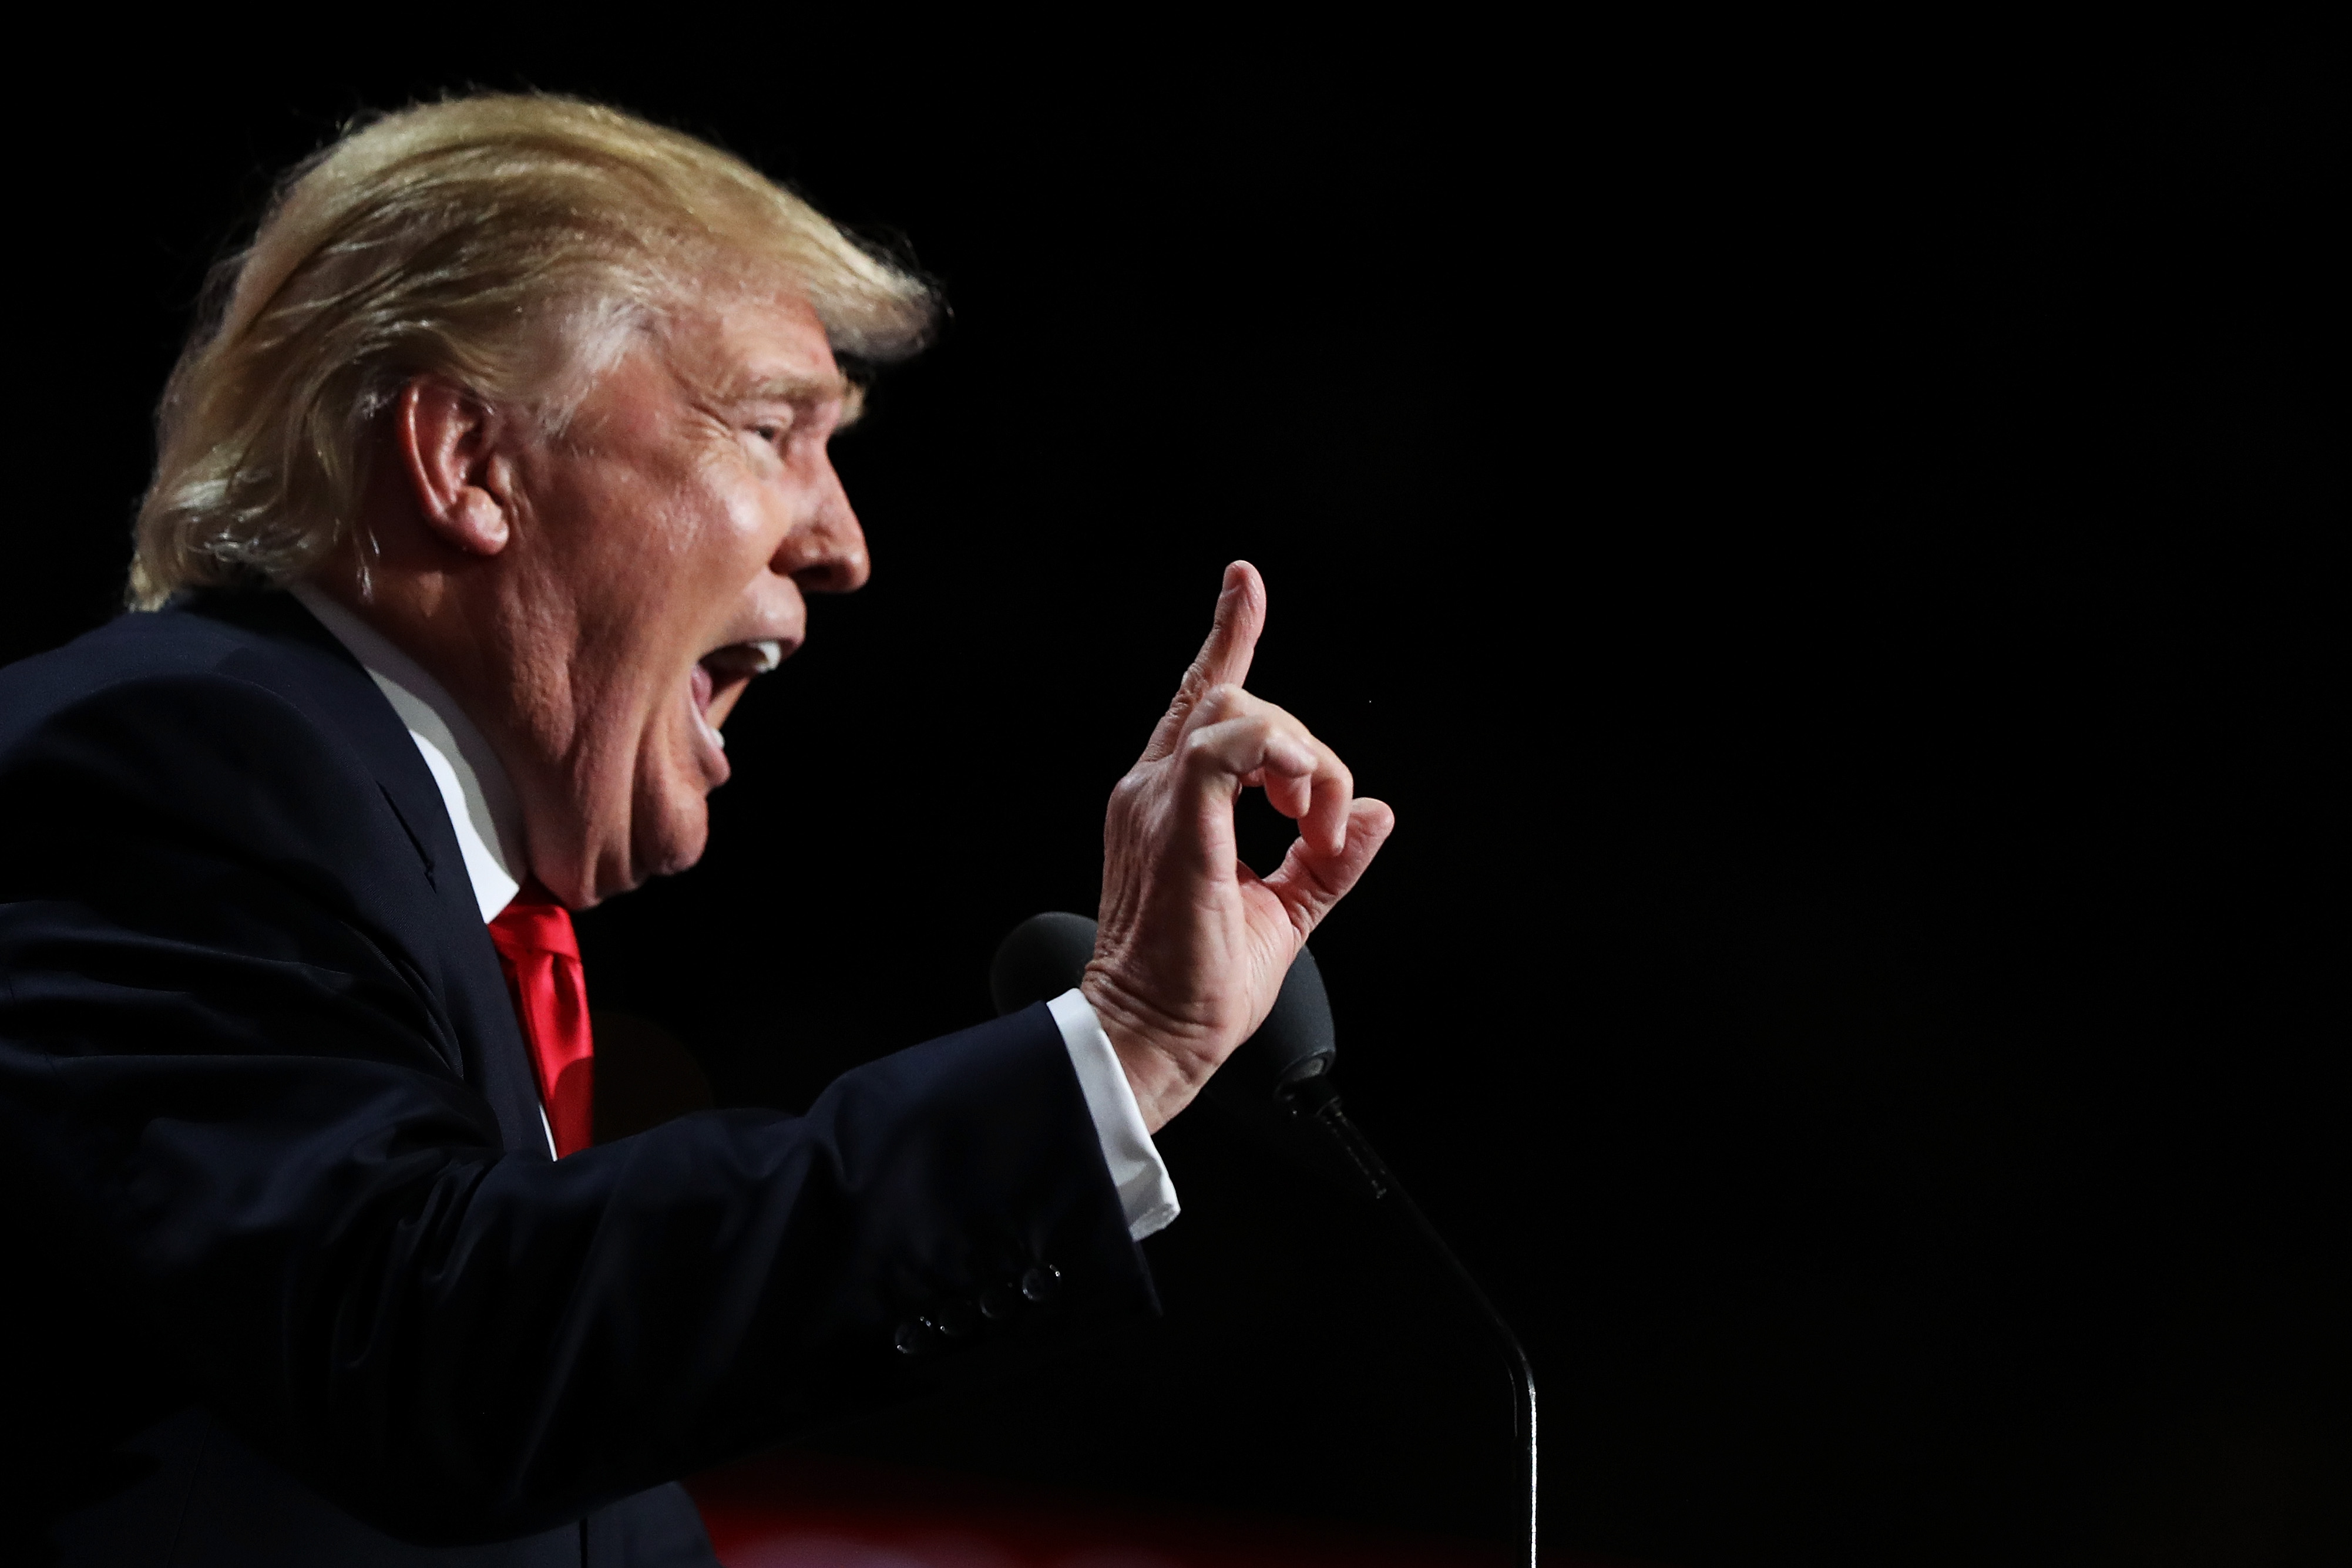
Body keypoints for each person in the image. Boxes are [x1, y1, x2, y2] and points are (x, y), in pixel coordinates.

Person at [0, 95, 1392, 1566]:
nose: (845, 544)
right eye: (773, 426)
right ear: (468, 460)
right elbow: (432, 1352)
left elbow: (555, 1475)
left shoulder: (396, 866)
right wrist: (1120, 1045)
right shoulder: (168, 756)